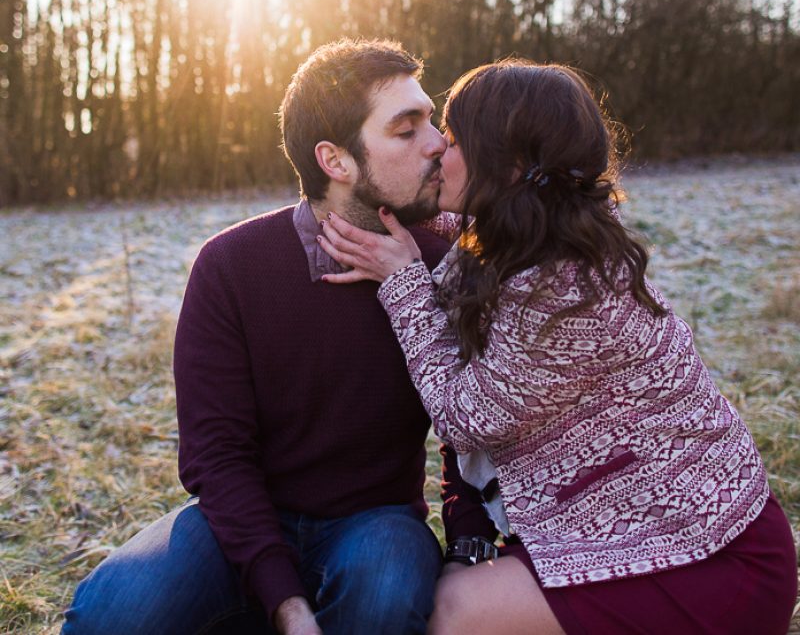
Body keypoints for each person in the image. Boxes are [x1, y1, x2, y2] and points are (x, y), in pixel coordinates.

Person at [319, 59, 798, 635]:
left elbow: (465, 416)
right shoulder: (538, 232)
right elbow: (467, 234)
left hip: (707, 560)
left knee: (453, 612)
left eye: (455, 136)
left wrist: (403, 285)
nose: (439, 148)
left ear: (511, 164)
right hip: (639, 529)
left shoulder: (566, 287)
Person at [61, 39, 473, 635]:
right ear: (336, 161)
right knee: (111, 615)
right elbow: (216, 453)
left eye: (430, 120)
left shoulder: (445, 265)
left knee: (385, 595)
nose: (437, 142)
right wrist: (286, 602)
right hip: (244, 519)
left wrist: (466, 549)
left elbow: (476, 433)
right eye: (407, 129)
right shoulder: (231, 266)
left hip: (376, 522)